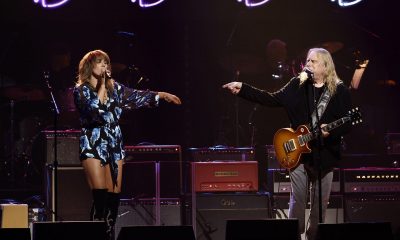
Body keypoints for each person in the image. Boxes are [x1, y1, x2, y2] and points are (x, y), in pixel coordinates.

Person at [223, 48, 352, 240]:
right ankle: (292, 236)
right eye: (307, 61)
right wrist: (243, 89)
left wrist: (329, 131)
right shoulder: (297, 85)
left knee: (320, 205)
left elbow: (347, 122)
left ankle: (314, 237)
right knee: (298, 199)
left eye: (313, 62)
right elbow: (272, 98)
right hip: (298, 153)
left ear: (326, 66)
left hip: (325, 155)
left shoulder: (339, 90)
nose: (308, 64)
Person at [73, 49, 181, 239]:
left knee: (113, 197)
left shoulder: (115, 88)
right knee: (100, 196)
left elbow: (136, 96)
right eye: (99, 62)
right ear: (90, 66)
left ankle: (109, 235)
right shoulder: (81, 90)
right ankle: (96, 234)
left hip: (114, 142)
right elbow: (94, 111)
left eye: (106, 62)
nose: (104, 65)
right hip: (93, 142)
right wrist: (102, 87)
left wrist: (162, 95)